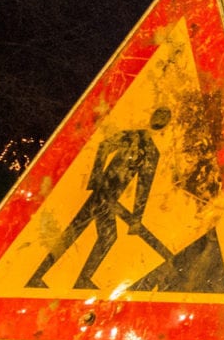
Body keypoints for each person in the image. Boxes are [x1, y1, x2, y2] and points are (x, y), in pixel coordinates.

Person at [27, 107, 172, 291]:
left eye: (164, 117)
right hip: (101, 194)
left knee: (97, 236)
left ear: (166, 124)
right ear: (152, 117)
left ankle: (67, 279)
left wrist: (136, 217)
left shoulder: (152, 152)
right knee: (78, 235)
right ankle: (50, 277)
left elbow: (144, 186)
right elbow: (104, 145)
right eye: (159, 115)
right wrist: (96, 179)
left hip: (112, 200)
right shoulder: (133, 136)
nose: (159, 119)